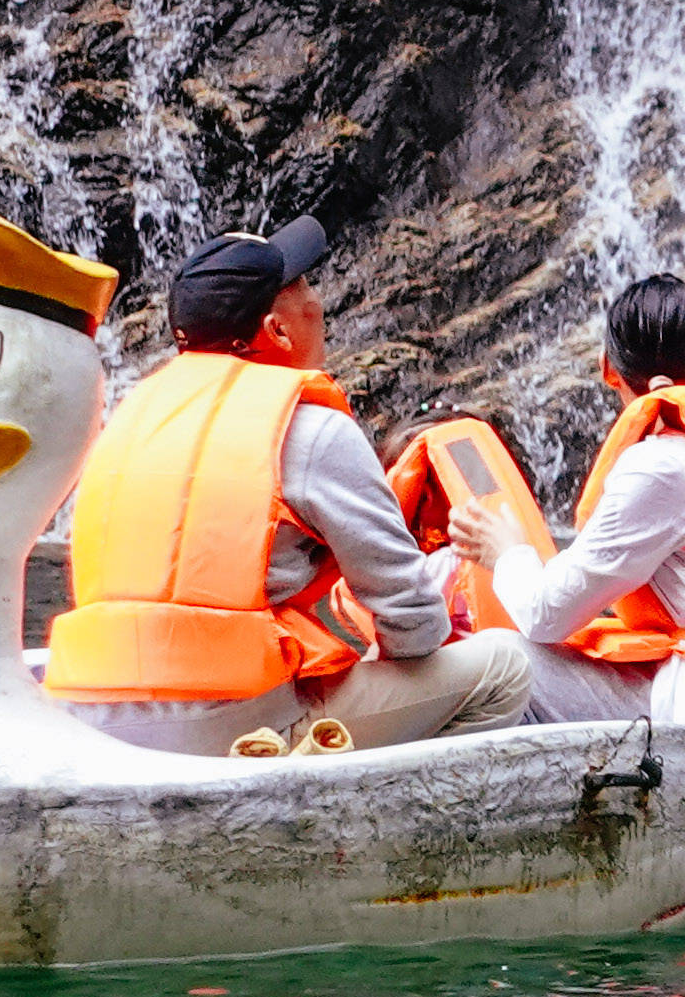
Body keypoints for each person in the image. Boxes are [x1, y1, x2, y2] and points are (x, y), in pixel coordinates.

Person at [42, 217, 528, 755]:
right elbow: (412, 615)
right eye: (305, 289)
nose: (319, 305)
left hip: (89, 717)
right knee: (506, 666)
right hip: (229, 724)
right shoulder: (310, 428)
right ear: (276, 330)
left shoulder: (128, 415)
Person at [442, 272, 685, 728]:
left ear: (607, 368)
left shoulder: (662, 466)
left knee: (503, 658)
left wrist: (508, 552)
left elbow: (544, 615)